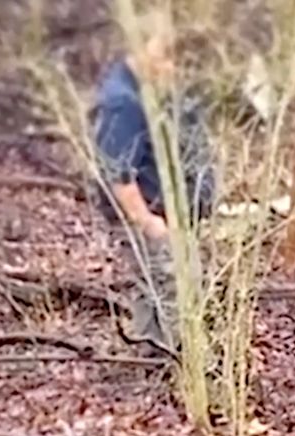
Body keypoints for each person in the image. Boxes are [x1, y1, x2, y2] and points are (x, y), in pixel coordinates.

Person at [91, 9, 216, 352]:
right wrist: (150, 223)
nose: (170, 65)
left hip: (169, 213)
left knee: (154, 290)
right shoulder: (123, 103)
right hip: (151, 217)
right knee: (178, 290)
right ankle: (184, 365)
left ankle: (152, 360)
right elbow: (118, 173)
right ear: (139, 49)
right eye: (162, 54)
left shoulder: (146, 90)